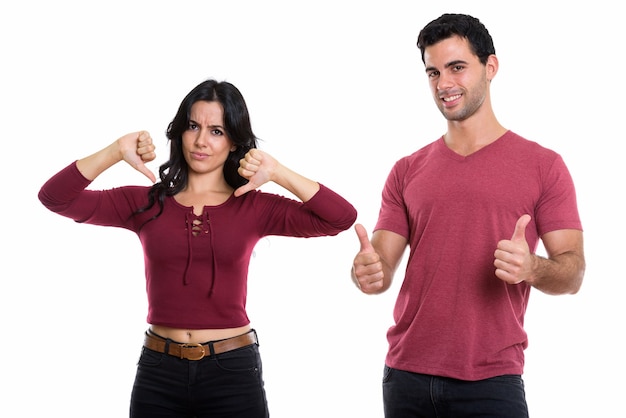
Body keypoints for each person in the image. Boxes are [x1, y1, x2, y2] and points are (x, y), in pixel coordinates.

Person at [39, 79, 357, 417]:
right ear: (180, 131)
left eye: (217, 131)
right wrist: (115, 150)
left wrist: (277, 172)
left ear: (235, 140)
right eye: (193, 126)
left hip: (232, 372)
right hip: (158, 373)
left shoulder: (253, 207)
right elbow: (55, 198)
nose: (201, 141)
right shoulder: (146, 202)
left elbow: (340, 218)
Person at [351, 13, 585, 418]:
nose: (444, 84)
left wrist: (531, 267)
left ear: (490, 67)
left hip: (492, 381)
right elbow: (382, 267)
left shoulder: (544, 166)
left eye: (457, 67)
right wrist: (367, 273)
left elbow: (573, 273)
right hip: (405, 377)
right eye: (433, 72)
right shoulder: (407, 169)